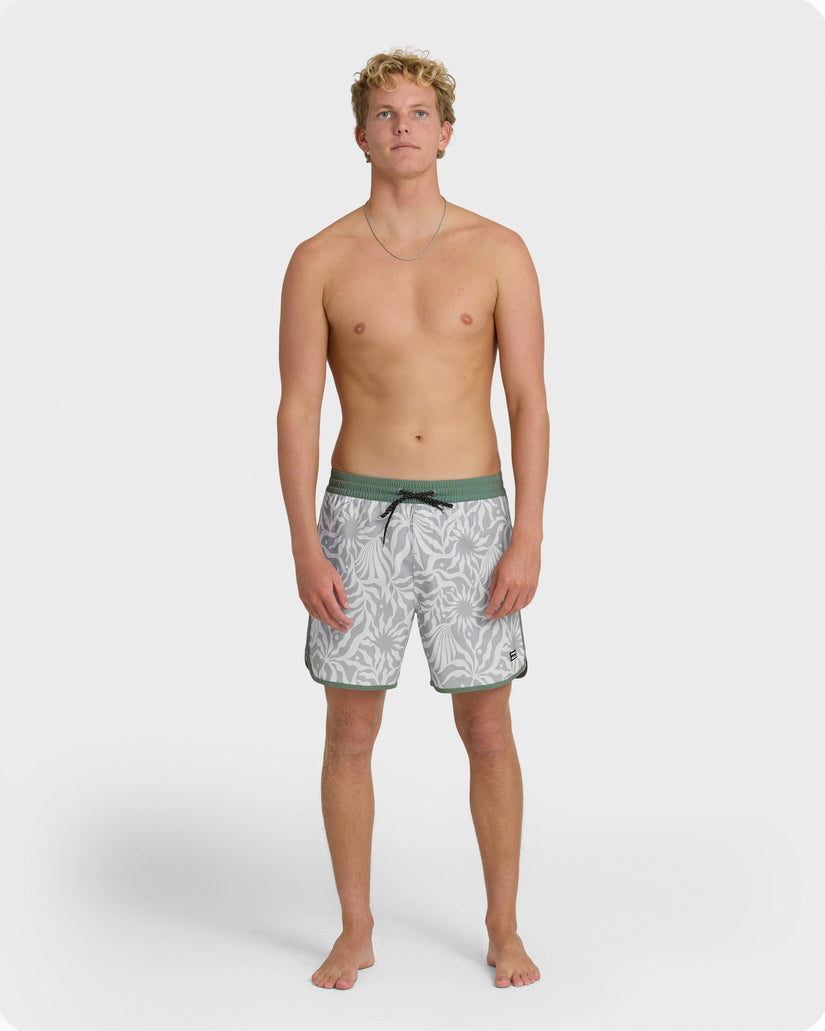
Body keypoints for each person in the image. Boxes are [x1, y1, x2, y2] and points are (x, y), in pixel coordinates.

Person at [277, 48, 549, 990]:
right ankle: (354, 929)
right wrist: (304, 545)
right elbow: (296, 411)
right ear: (360, 136)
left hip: (473, 516)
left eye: (419, 112)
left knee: (489, 727)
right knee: (349, 730)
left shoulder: (499, 250)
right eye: (386, 114)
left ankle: (503, 927)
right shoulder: (319, 259)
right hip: (358, 517)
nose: (403, 126)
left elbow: (528, 400)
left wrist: (528, 533)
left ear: (445, 133)